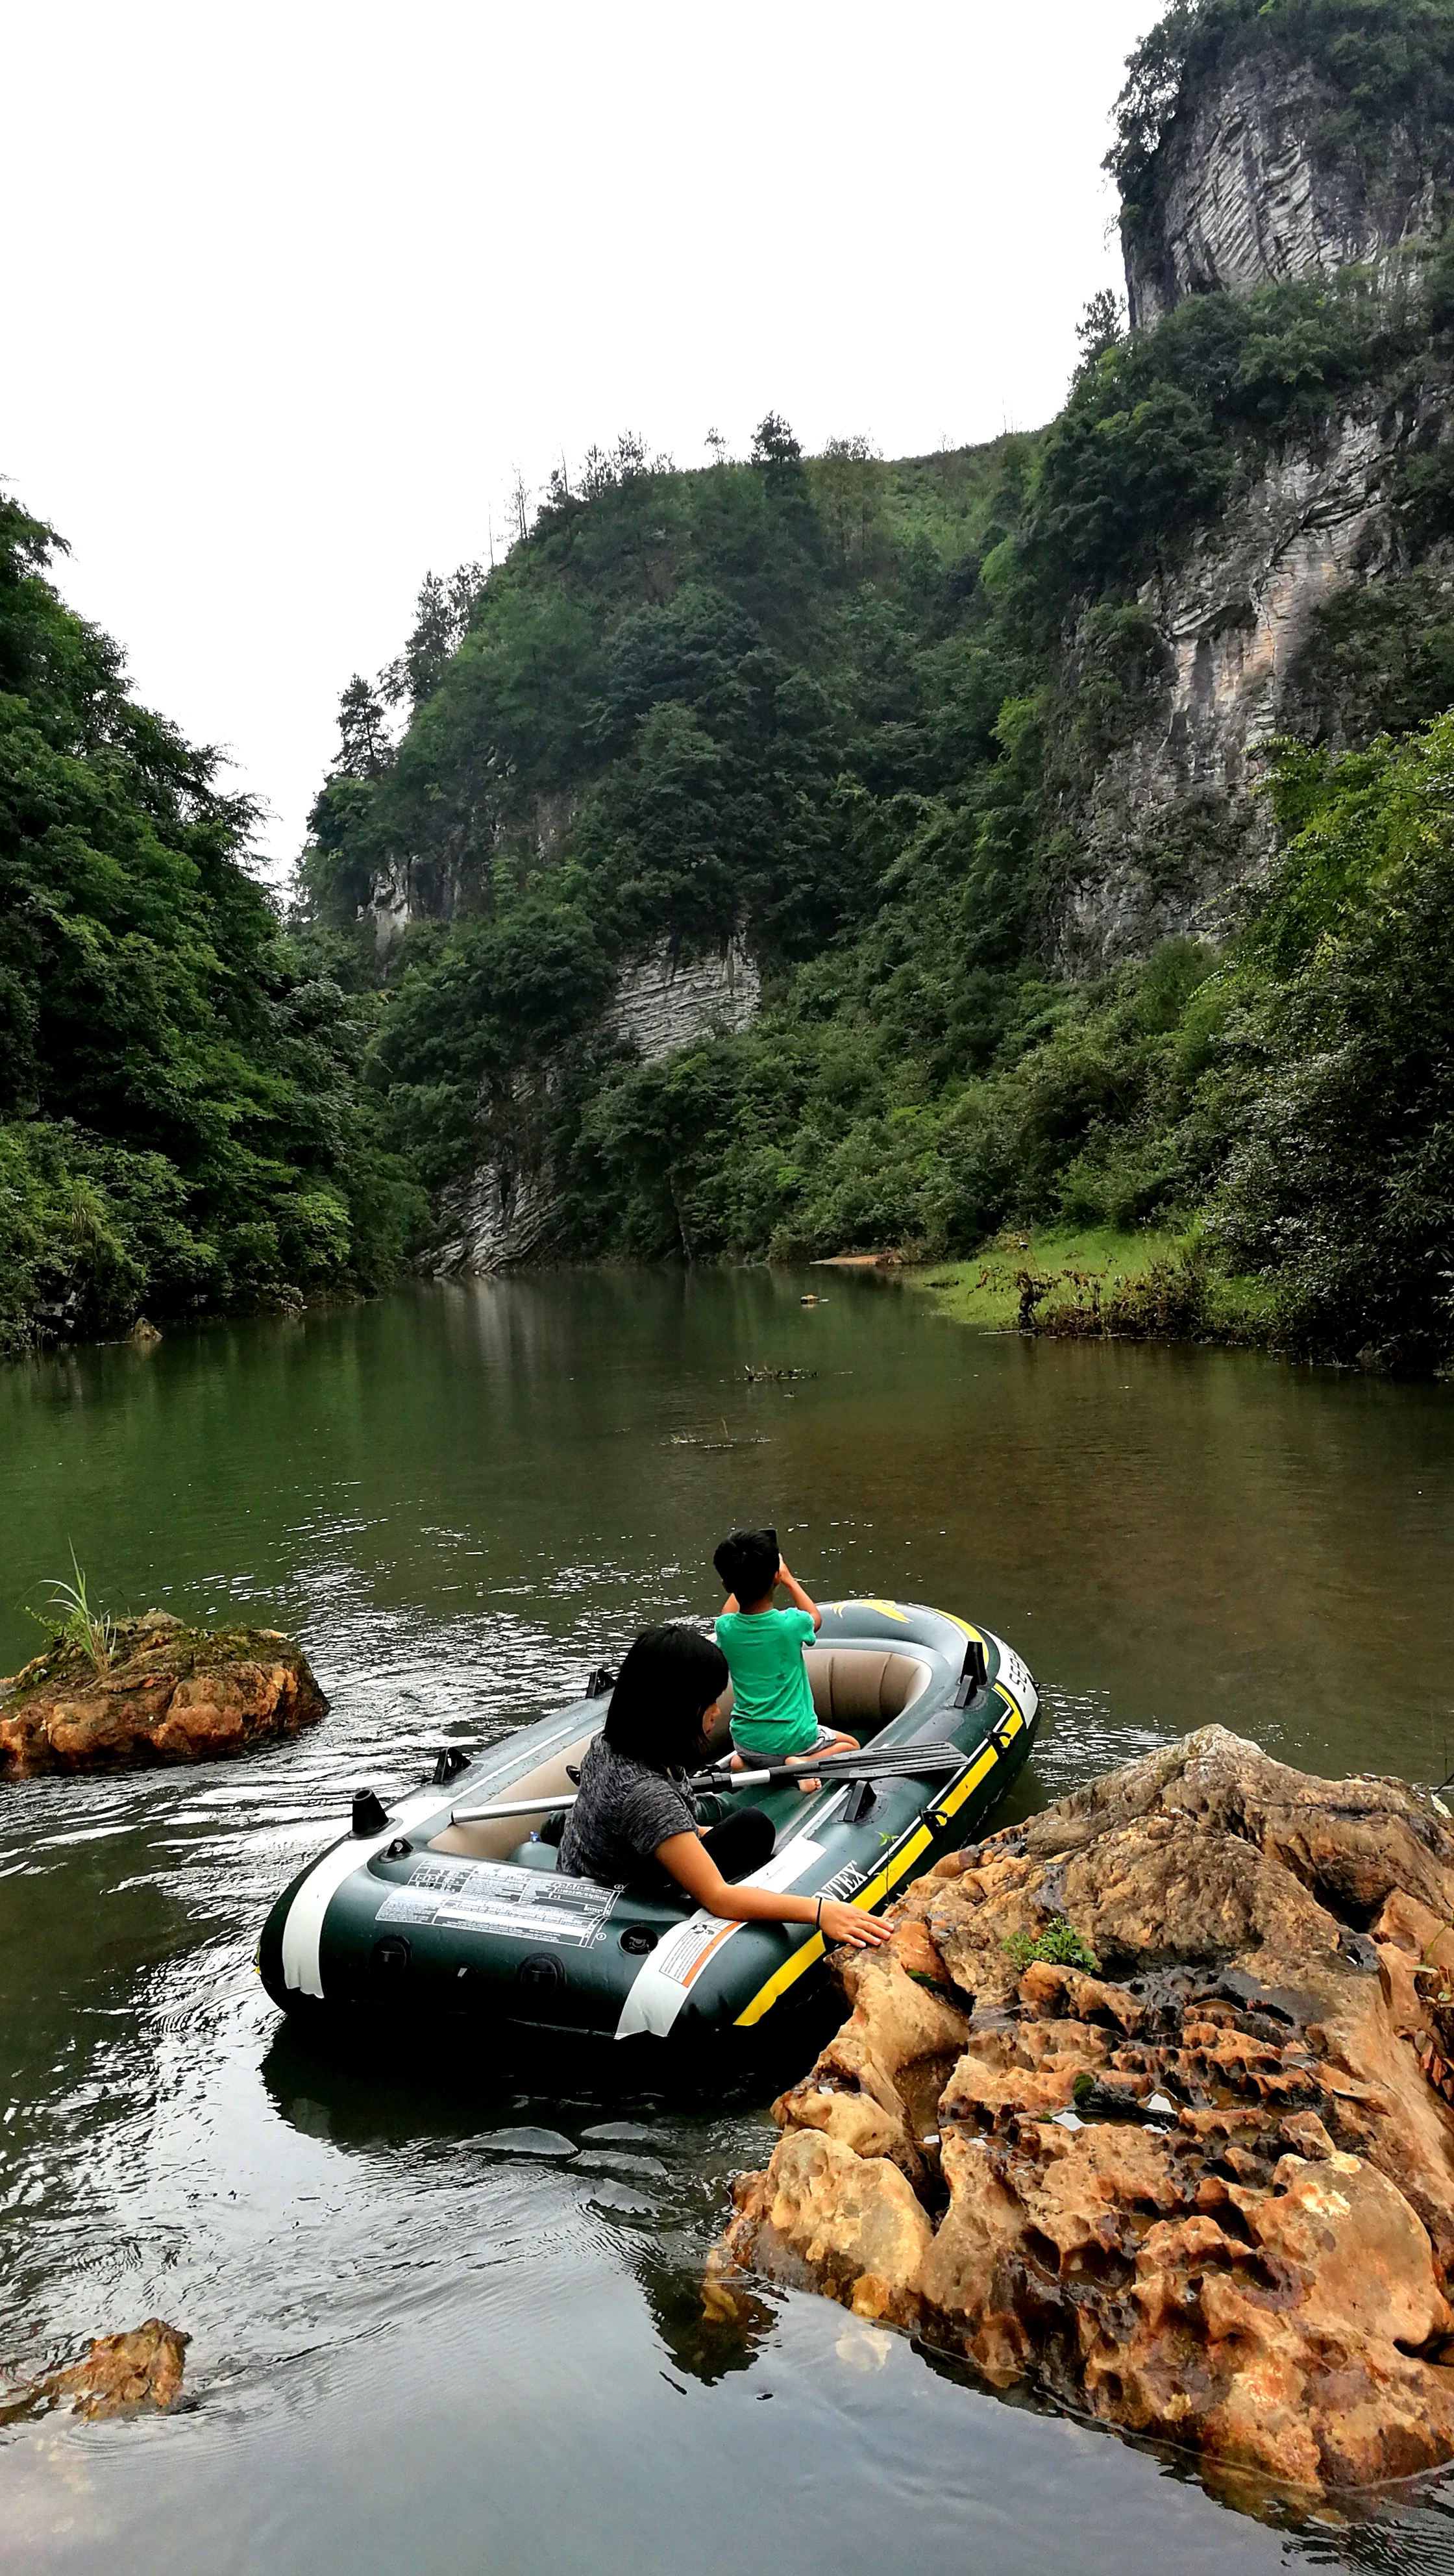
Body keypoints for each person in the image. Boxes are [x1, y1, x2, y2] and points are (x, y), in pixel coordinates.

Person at [558, 1624, 890, 1952]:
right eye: (709, 1702)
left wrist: (690, 1835)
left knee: (751, 1827)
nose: (718, 1711)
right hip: (629, 1896)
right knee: (752, 1829)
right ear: (674, 1707)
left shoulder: (609, 1743)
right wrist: (819, 1912)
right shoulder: (647, 1795)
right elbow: (719, 1898)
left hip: (606, 1860)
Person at [713, 1527, 859, 1788]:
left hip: (747, 1741)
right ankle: (802, 1765)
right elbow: (815, 1618)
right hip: (795, 1739)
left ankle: (744, 1766)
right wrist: (790, 1579)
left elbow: (728, 1611)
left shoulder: (725, 1629)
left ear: (726, 1586)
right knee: (851, 1745)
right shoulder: (791, 1624)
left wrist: (741, 1579)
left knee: (750, 1755)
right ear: (776, 1577)